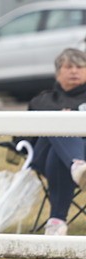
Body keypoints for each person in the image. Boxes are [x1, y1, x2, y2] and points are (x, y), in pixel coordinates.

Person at [28, 47, 86, 235]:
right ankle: (77, 166)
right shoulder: (42, 101)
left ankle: (57, 221)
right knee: (58, 123)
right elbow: (22, 135)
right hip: (41, 158)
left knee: (58, 153)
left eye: (80, 66)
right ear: (58, 72)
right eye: (68, 67)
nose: (74, 71)